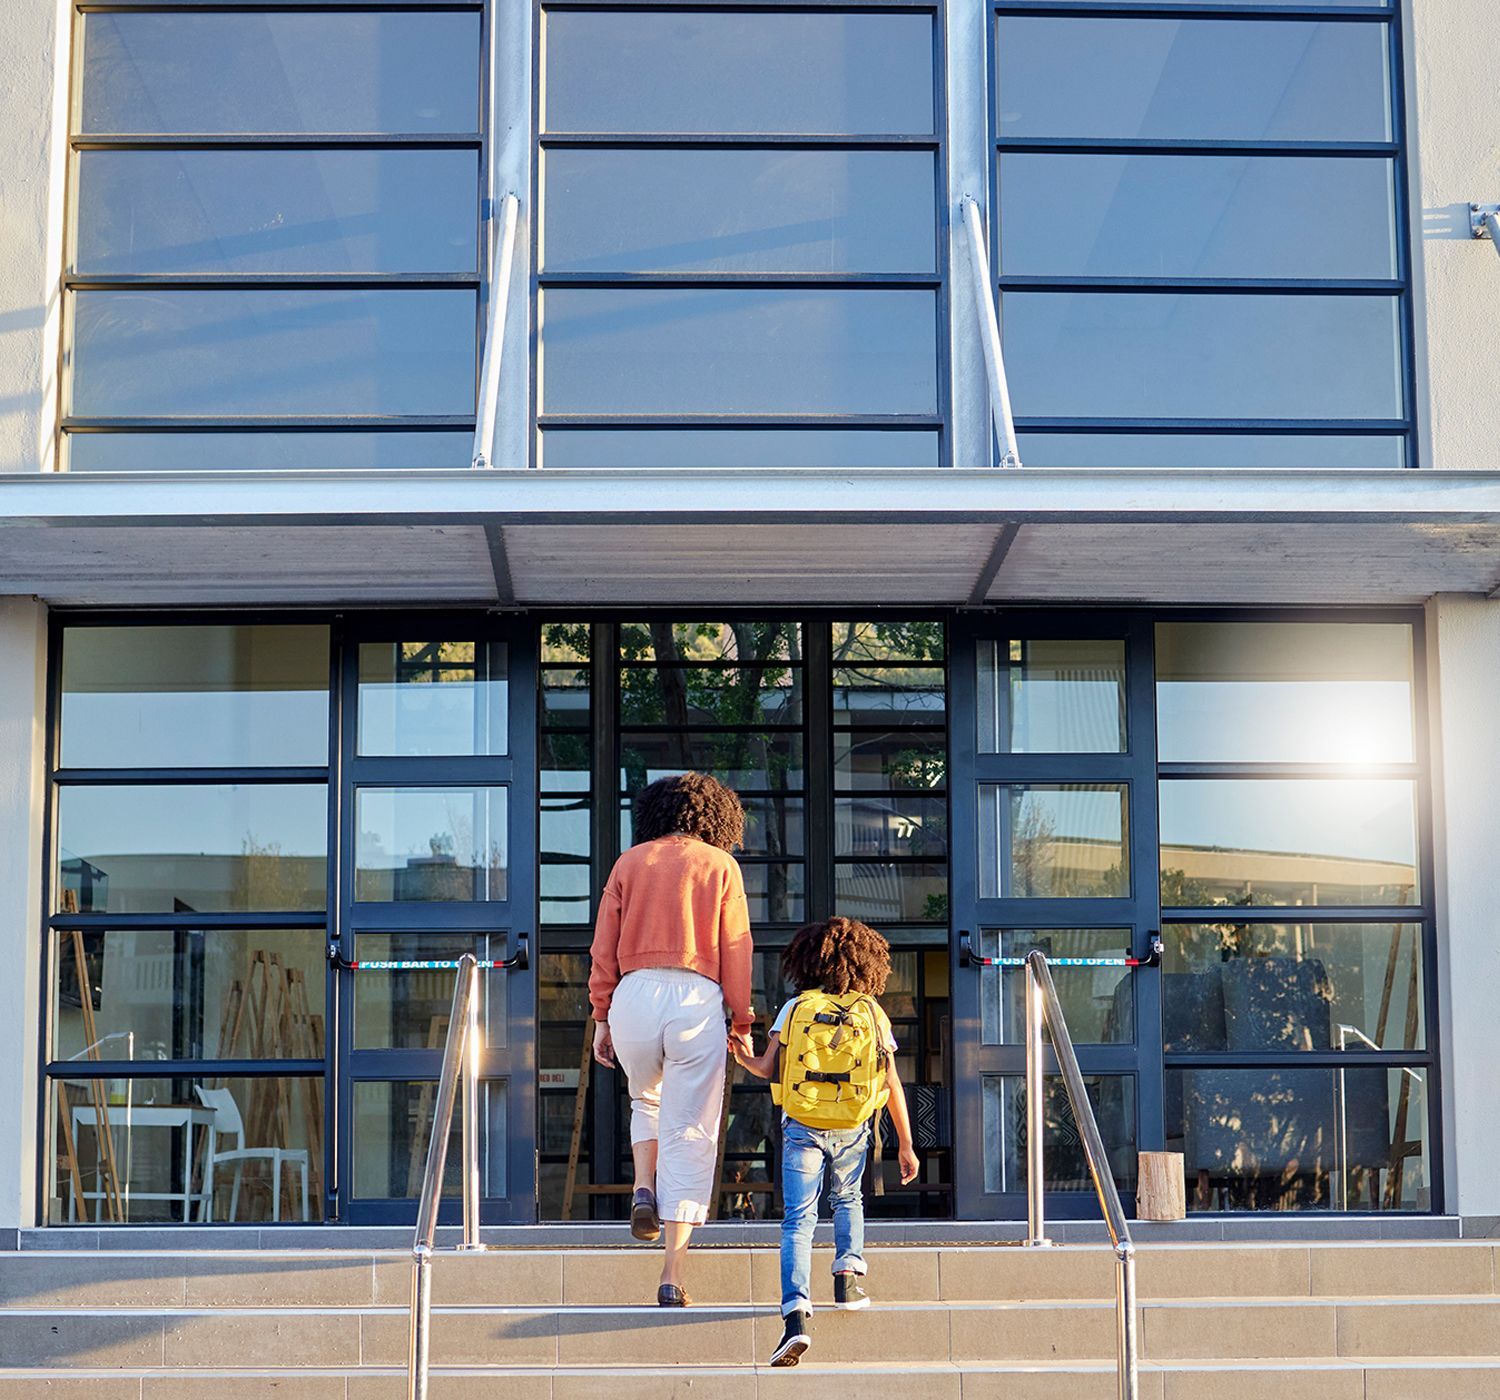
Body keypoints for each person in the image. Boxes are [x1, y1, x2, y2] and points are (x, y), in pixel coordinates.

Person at [588, 771, 754, 1306]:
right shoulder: (720, 865)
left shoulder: (629, 862)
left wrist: (601, 1017)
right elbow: (737, 948)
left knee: (646, 1098)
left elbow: (603, 946)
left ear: (654, 815)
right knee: (691, 1128)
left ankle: (643, 1186)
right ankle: (671, 1272)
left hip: (632, 995)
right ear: (715, 819)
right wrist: (742, 1019)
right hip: (695, 999)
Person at [732, 916, 919, 1366]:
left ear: (808, 961)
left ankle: (795, 1316)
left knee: (798, 1219)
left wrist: (741, 1053)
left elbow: (765, 1069)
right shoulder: (872, 1012)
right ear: (866, 964)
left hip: (801, 1123)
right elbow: (890, 1080)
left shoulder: (795, 1008)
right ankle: (848, 1278)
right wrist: (906, 1145)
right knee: (849, 1198)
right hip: (854, 1122)